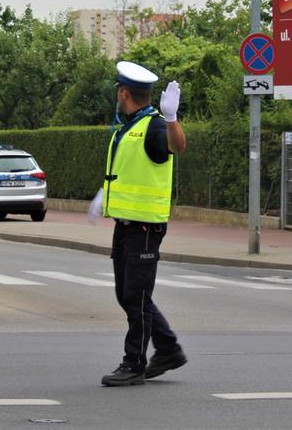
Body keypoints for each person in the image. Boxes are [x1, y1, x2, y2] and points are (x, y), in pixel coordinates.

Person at [98, 61, 187, 387]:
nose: (117, 98)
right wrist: (103, 194)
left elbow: (177, 146)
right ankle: (168, 349)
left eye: (118, 93)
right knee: (128, 295)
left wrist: (172, 118)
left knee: (135, 295)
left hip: (145, 226)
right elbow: (130, 169)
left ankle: (133, 363)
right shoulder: (130, 126)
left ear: (124, 92)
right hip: (126, 224)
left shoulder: (153, 125)